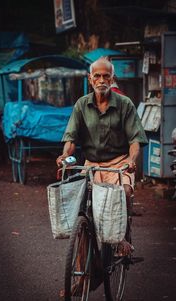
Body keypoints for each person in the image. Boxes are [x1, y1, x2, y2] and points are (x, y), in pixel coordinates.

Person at [56, 56, 148, 255]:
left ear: (112, 78)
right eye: (97, 76)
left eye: (106, 76)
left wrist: (132, 161)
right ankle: (79, 282)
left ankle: (121, 237)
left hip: (119, 162)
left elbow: (135, 140)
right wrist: (64, 156)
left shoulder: (125, 104)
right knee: (82, 213)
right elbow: (71, 139)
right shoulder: (81, 105)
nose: (101, 80)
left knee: (123, 191)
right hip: (92, 164)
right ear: (90, 79)